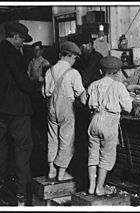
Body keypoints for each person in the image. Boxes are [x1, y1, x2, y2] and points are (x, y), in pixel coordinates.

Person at [0, 22, 40, 202]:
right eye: (21, 41)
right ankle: (21, 190)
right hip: (17, 110)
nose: (21, 45)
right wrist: (35, 83)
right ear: (15, 36)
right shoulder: (14, 55)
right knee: (22, 148)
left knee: (0, 144)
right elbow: (24, 84)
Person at [80, 56, 132, 196]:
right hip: (109, 123)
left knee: (93, 154)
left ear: (101, 71)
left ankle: (91, 186)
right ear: (117, 72)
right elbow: (128, 107)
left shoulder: (93, 84)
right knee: (106, 155)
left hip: (94, 120)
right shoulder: (118, 86)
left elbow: (83, 99)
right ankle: (99, 188)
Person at [42, 41, 84, 181]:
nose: (74, 61)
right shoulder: (73, 73)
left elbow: (45, 93)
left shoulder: (50, 70)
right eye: (74, 58)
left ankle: (51, 170)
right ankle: (61, 173)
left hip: (51, 108)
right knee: (66, 139)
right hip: (66, 108)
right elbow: (80, 94)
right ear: (69, 56)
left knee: (52, 138)